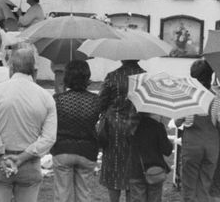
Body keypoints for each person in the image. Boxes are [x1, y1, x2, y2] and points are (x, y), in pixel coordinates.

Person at [0, 46, 57, 202]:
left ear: (11, 68)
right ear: (34, 70)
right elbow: (49, 138)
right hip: (29, 163)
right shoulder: (46, 97)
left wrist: (1, 153)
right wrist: (22, 157)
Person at [51, 60, 100, 202]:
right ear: (87, 77)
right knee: (84, 194)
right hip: (87, 150)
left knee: (62, 194)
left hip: (63, 149)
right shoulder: (95, 100)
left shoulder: (58, 100)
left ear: (67, 77)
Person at [97, 58, 145, 202]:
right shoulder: (145, 77)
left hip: (113, 129)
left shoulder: (112, 77)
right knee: (133, 169)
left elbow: (100, 103)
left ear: (123, 57)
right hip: (137, 127)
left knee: (114, 168)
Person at [177, 59, 220, 201]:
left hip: (192, 145)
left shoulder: (188, 95)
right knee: (205, 183)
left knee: (189, 185)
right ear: (211, 75)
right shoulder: (216, 98)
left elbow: (177, 122)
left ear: (193, 76)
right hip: (212, 145)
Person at [127, 113, 173, 201]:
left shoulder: (131, 127)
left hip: (136, 170)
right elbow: (167, 151)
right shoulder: (157, 126)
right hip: (155, 171)